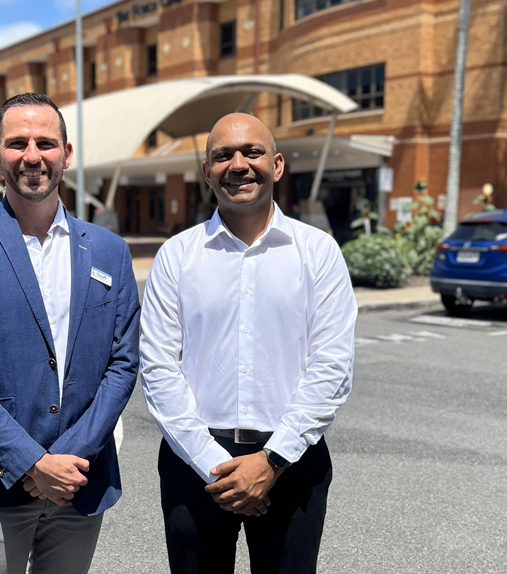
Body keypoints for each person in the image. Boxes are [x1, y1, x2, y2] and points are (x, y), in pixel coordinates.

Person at [0, 93, 140, 574]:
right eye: (17, 143)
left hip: (79, 483)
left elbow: (123, 365)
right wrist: (30, 463)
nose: (32, 155)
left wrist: (68, 459)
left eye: (45, 142)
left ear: (67, 152)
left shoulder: (109, 251)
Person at [139, 113, 356, 574]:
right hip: (194, 464)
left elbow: (332, 366)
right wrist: (215, 467)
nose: (238, 164)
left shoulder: (318, 253)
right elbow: (158, 368)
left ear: (276, 165)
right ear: (206, 172)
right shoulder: (176, 257)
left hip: (293, 462)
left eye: (252, 152)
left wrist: (271, 463)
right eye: (223, 155)